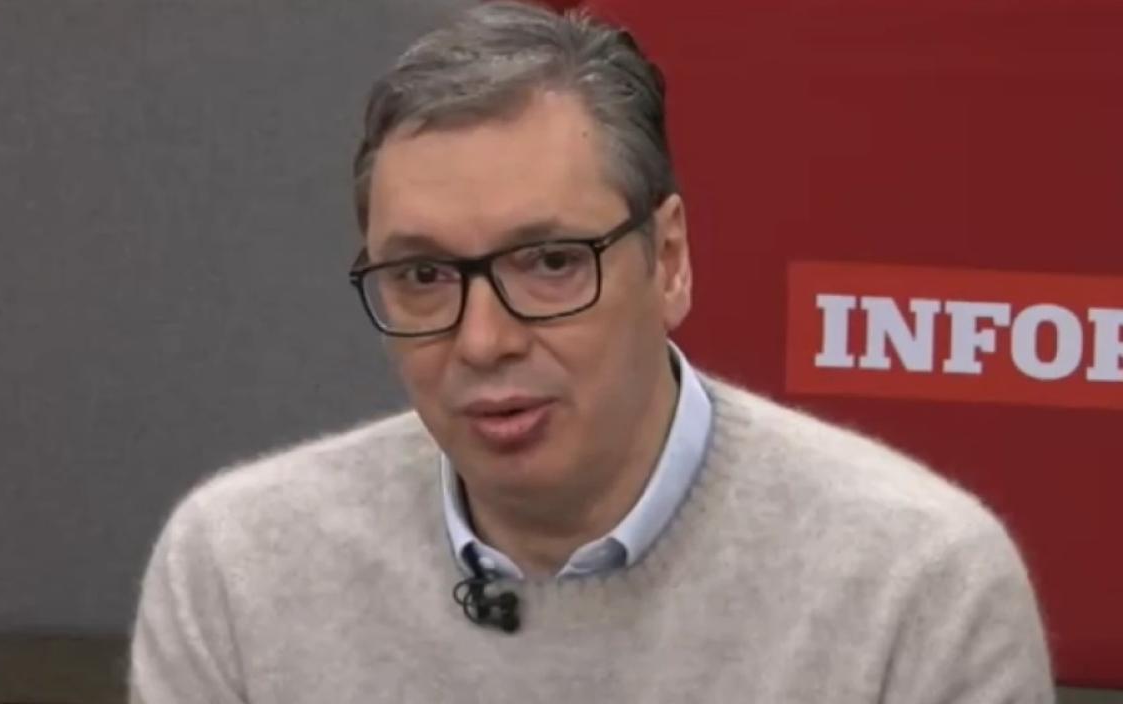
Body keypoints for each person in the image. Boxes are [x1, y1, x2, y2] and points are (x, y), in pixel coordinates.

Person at [129, 2, 1054, 702]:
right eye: (423, 276)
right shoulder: (238, 569)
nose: (483, 341)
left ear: (671, 261)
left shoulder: (918, 589)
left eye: (550, 264)